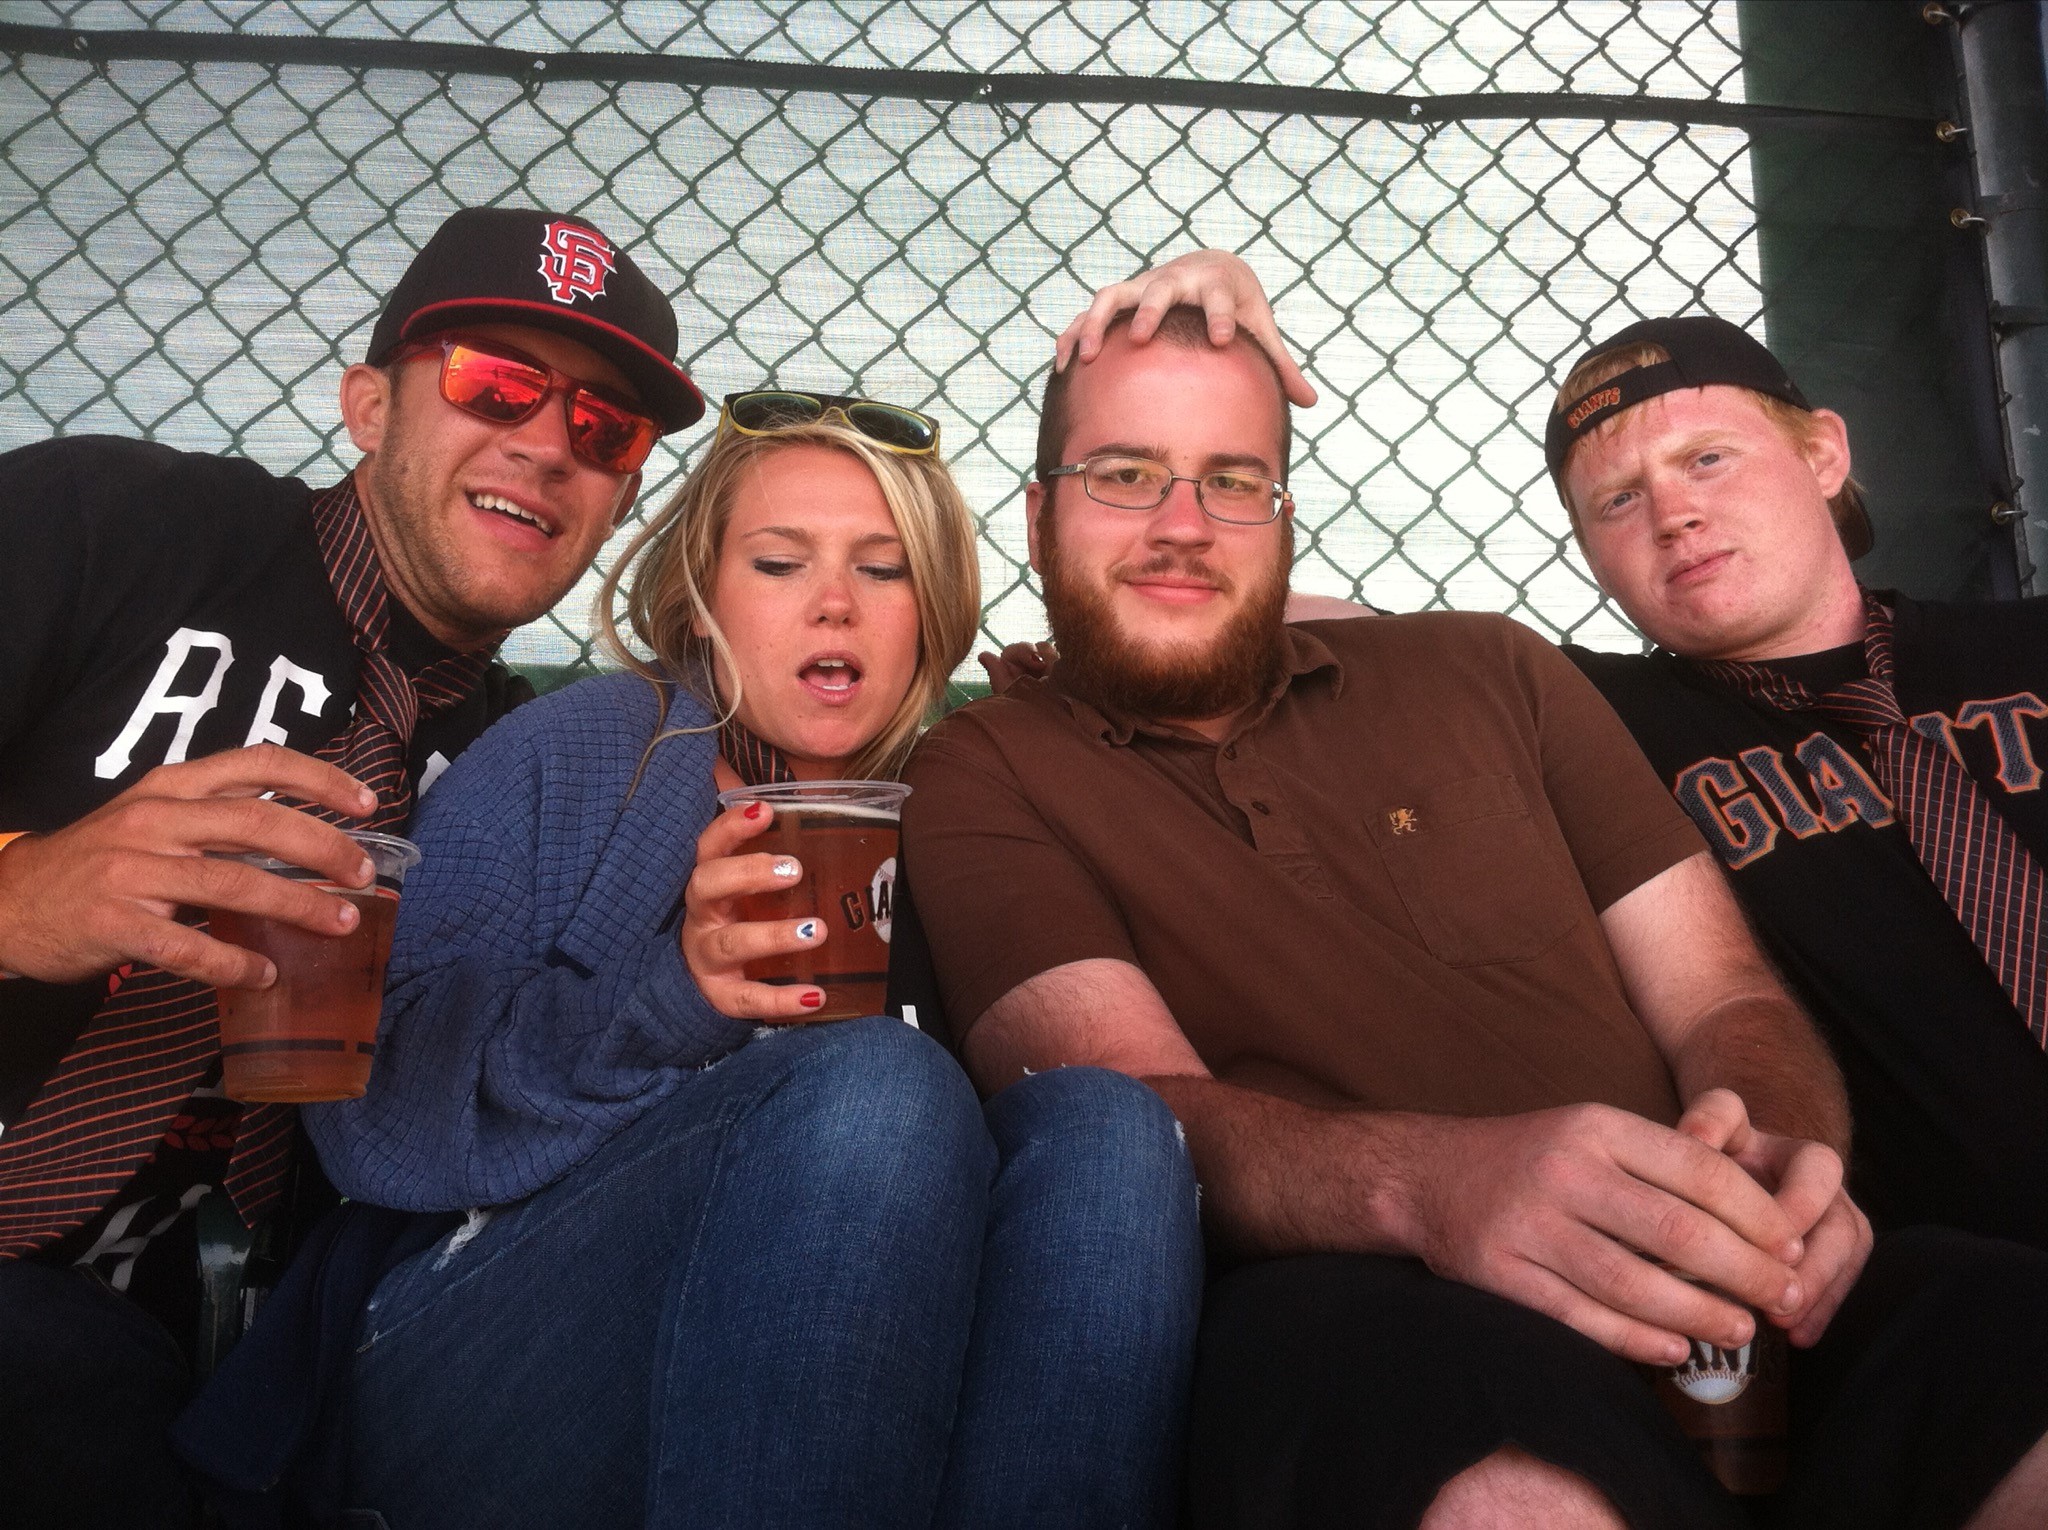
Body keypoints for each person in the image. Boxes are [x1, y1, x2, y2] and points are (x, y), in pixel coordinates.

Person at [897, 292, 2048, 1528]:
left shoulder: (1488, 668)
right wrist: (1431, 1184)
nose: (1183, 526)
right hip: (1380, 1307)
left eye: (1234, 481)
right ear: (1033, 515)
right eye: (1124, 475)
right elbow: (1136, 1108)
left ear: (1283, 519)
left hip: (1720, 1272)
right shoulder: (983, 768)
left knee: (2003, 1338)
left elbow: (1719, 991)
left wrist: (1774, 1161)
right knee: (1478, 1464)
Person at [182, 396, 1203, 1529]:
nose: (833, 603)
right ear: (702, 597)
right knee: (872, 1084)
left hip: (835, 1383)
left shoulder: (969, 810)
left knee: (1110, 1132)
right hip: (462, 1341)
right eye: (777, 563)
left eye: (883, 570)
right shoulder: (592, 753)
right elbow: (367, 1114)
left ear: (935, 612)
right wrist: (670, 997)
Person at [0, 205, 702, 1529]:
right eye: (498, 382)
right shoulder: (107, 522)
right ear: (369, 404)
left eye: (605, 428)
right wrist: (26, 892)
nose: (548, 442)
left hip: (244, 1360)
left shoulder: (534, 773)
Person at [1549, 318, 2048, 1255]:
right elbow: (1295, 628)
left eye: (1706, 458)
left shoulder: (2027, 648)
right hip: (1955, 1280)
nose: (1672, 514)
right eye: (1616, 501)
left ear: (1821, 452)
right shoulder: (1594, 720)